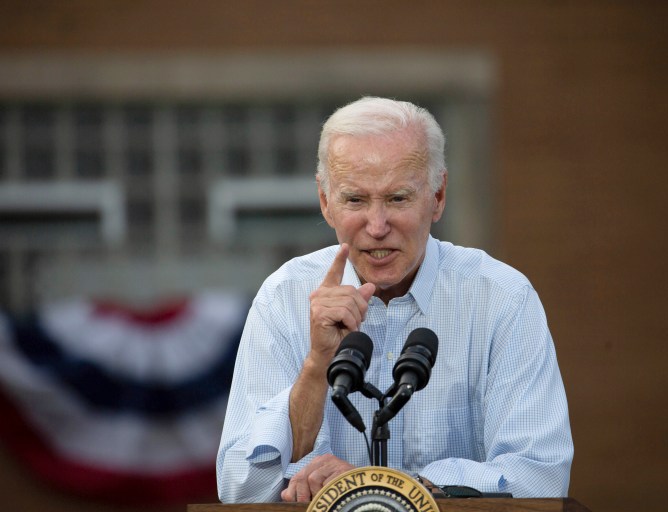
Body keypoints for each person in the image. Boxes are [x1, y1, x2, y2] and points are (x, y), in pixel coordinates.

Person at [216, 97, 573, 503]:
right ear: (324, 202)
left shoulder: (503, 298)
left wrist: (384, 492)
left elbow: (541, 479)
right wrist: (316, 368)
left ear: (437, 197)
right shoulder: (282, 298)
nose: (377, 226)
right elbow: (238, 489)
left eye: (398, 199)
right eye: (355, 200)